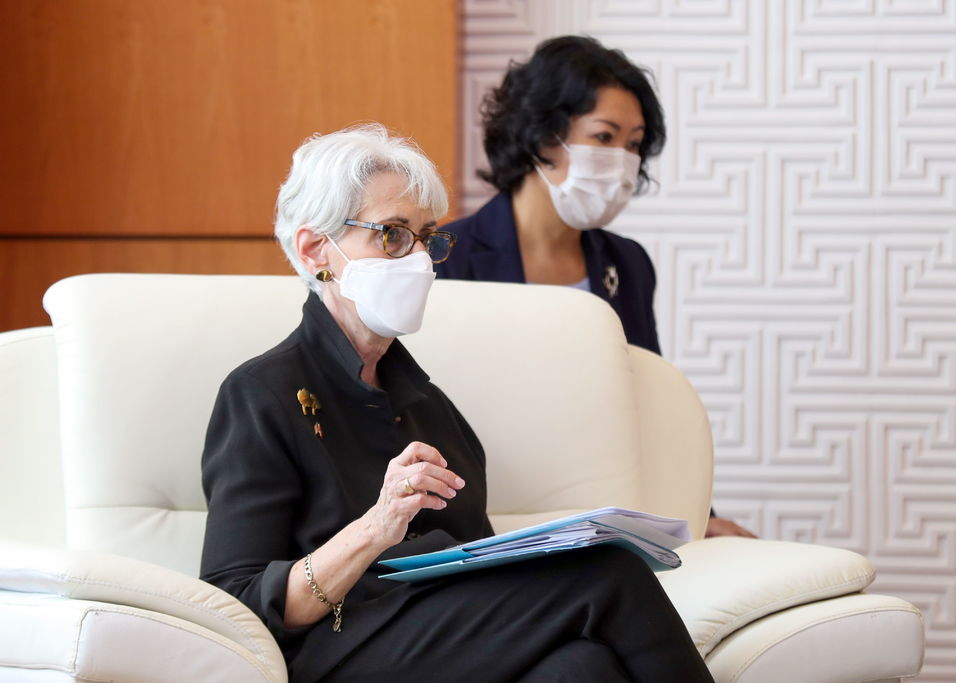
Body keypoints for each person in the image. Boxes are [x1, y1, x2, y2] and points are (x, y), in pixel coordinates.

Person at [199, 123, 714, 682]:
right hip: (335, 648)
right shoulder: (261, 393)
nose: (420, 258)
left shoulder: (431, 408)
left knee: (582, 668)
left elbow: (482, 571)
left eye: (427, 238)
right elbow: (238, 602)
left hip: (441, 638)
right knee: (610, 572)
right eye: (393, 235)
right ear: (315, 248)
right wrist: (377, 526)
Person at [438, 35, 754, 539]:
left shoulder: (627, 263)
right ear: (543, 137)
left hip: (606, 511)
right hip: (484, 512)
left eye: (634, 144)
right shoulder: (447, 256)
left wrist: (699, 514)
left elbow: (651, 402)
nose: (623, 161)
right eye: (605, 137)